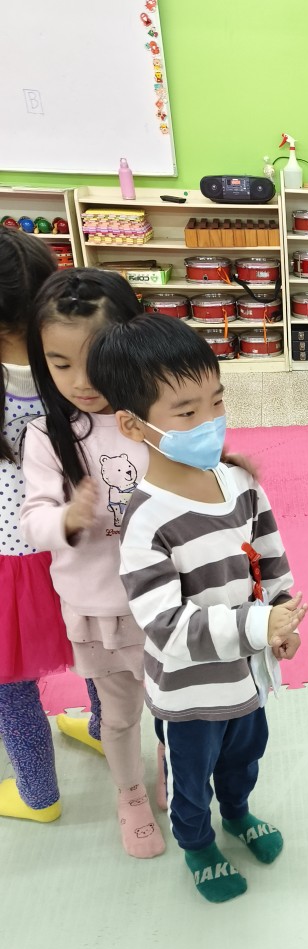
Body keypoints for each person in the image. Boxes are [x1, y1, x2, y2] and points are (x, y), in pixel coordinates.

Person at [86, 314, 307, 902]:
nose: (209, 421)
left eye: (217, 401)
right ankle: (198, 844)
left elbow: (269, 557)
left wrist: (283, 614)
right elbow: (166, 626)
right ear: (133, 424)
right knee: (190, 779)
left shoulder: (239, 483)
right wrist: (259, 624)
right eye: (186, 412)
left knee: (246, 756)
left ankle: (237, 813)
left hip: (249, 674)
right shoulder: (146, 521)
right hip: (188, 694)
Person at [21, 268, 165, 858]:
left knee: (174, 706)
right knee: (120, 715)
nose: (81, 382)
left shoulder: (154, 418)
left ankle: (173, 772)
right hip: (99, 609)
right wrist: (69, 519)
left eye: (95, 360)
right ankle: (129, 794)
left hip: (165, 602)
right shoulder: (47, 435)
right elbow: (33, 520)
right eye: (60, 364)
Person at [0, 230, 74, 823]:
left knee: (9, 682)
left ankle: (39, 795)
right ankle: (102, 728)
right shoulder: (71, 365)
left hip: (9, 551)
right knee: (99, 646)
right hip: (78, 536)